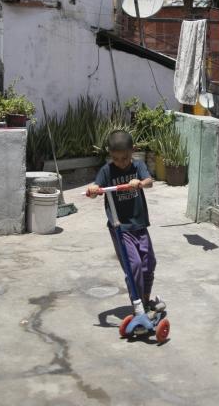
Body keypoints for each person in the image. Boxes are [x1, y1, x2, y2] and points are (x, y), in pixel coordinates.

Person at [86, 130, 164, 317]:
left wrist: (140, 183)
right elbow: (97, 188)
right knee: (134, 265)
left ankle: (145, 300)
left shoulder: (138, 166)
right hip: (120, 228)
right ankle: (138, 306)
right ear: (110, 155)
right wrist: (93, 189)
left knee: (149, 262)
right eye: (116, 158)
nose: (120, 162)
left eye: (125, 158)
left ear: (133, 151)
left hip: (139, 224)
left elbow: (149, 181)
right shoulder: (107, 170)